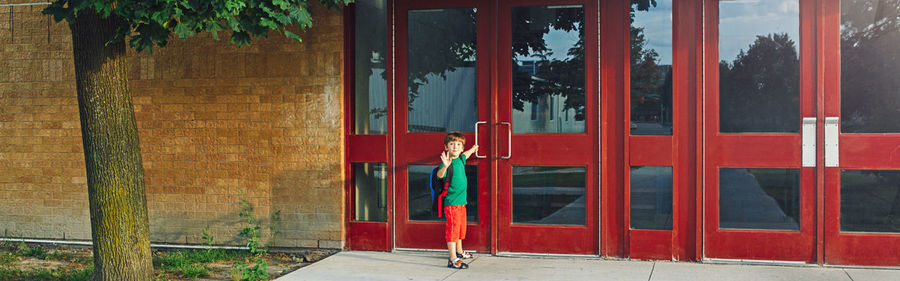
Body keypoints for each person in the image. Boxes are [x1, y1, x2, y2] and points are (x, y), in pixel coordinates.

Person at [438, 132, 478, 269]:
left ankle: (459, 252)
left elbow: (465, 155)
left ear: (461, 148)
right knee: (453, 230)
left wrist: (473, 149)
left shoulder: (460, 159)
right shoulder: (446, 163)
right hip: (452, 203)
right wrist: (445, 166)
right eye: (452, 144)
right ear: (446, 147)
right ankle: (452, 258)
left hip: (461, 203)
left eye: (458, 144)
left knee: (461, 229)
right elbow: (440, 175)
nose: (455, 147)